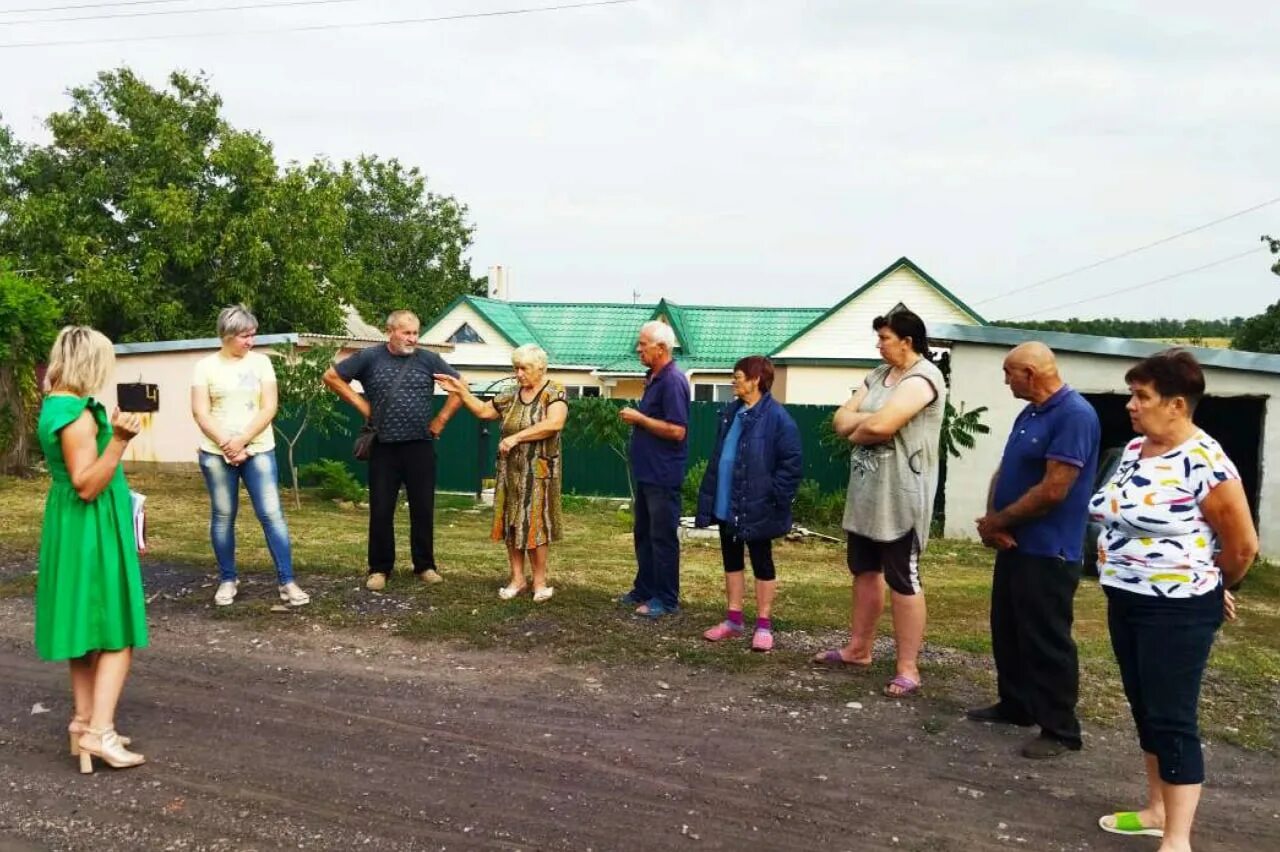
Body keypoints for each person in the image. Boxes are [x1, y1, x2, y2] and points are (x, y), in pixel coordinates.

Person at [1089, 350, 1256, 849]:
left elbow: (1242, 545)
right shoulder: (1138, 449)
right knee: (1144, 706)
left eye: (1142, 397)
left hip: (1177, 608)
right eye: (1132, 395)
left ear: (1177, 405)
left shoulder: (1207, 463)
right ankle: (1157, 809)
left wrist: (1216, 586)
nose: (1131, 406)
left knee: (1172, 716)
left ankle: (1177, 840)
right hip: (1127, 598)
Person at [969, 342, 1100, 759]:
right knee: (1007, 627)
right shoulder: (1031, 413)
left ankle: (1060, 728)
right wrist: (992, 520)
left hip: (1049, 549)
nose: (1005, 381)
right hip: (1014, 542)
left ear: (1030, 372)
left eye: (1009, 373)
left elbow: (1054, 490)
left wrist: (1001, 521)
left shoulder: (1074, 415)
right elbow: (1007, 470)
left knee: (1046, 638)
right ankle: (1016, 704)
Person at [814, 309, 945, 699]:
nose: (878, 344)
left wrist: (861, 425)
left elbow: (881, 426)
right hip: (867, 492)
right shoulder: (876, 375)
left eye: (885, 337)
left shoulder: (924, 378)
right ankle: (859, 649)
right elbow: (841, 420)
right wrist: (861, 426)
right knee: (863, 569)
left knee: (903, 576)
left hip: (901, 495)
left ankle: (908, 667)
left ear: (907, 341)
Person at [36, 326, 148, 773]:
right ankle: (100, 733)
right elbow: (86, 484)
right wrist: (119, 440)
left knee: (83, 633)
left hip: (69, 525)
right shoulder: (78, 414)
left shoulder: (54, 405)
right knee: (117, 633)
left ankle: (83, 723)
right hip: (90, 528)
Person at [323, 310, 462, 591]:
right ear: (391, 332)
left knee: (423, 509)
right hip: (384, 446)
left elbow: (460, 387)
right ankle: (379, 569)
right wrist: (363, 407)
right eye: (406, 333)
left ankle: (425, 566)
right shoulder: (369, 357)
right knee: (381, 510)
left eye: (415, 333)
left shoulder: (428, 359)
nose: (412, 338)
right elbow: (332, 377)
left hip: (420, 445)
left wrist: (441, 420)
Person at [190, 304, 309, 608]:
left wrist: (241, 441)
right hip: (216, 453)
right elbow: (200, 411)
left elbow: (269, 407)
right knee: (223, 517)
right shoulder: (205, 366)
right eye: (244, 336)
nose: (250, 341)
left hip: (258, 450)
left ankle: (287, 581)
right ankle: (227, 579)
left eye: (252, 335)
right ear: (227, 335)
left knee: (271, 515)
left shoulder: (262, 364)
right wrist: (226, 444)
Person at [434, 345, 568, 602]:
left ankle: (540, 583)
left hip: (539, 472)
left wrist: (516, 437)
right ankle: (517, 579)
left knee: (536, 524)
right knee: (511, 521)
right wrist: (461, 391)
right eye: (515, 368)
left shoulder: (553, 391)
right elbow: (484, 411)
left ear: (540, 368)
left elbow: (554, 423)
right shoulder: (510, 394)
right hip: (510, 470)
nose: (518, 374)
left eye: (523, 369)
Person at [694, 355, 802, 652]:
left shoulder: (778, 418)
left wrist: (774, 499)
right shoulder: (731, 413)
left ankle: (764, 624)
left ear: (756, 380)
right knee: (731, 557)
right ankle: (733, 619)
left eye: (738, 376)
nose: (734, 381)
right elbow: (720, 456)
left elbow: (791, 465)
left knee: (761, 560)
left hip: (759, 504)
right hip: (728, 498)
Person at [617, 321, 690, 618]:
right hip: (647, 472)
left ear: (661, 348)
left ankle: (667, 598)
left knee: (662, 537)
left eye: (643, 344)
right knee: (644, 534)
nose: (638, 348)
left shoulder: (673, 380)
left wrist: (640, 419)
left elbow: (677, 431)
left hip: (663, 474)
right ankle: (644, 587)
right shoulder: (654, 377)